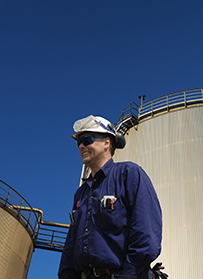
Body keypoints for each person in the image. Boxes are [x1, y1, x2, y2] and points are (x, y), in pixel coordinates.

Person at [58, 115, 164, 279]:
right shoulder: (81, 193)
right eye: (78, 142)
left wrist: (128, 275)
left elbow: (146, 234)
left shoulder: (128, 174)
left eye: (87, 140)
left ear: (107, 142)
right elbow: (71, 245)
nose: (81, 146)